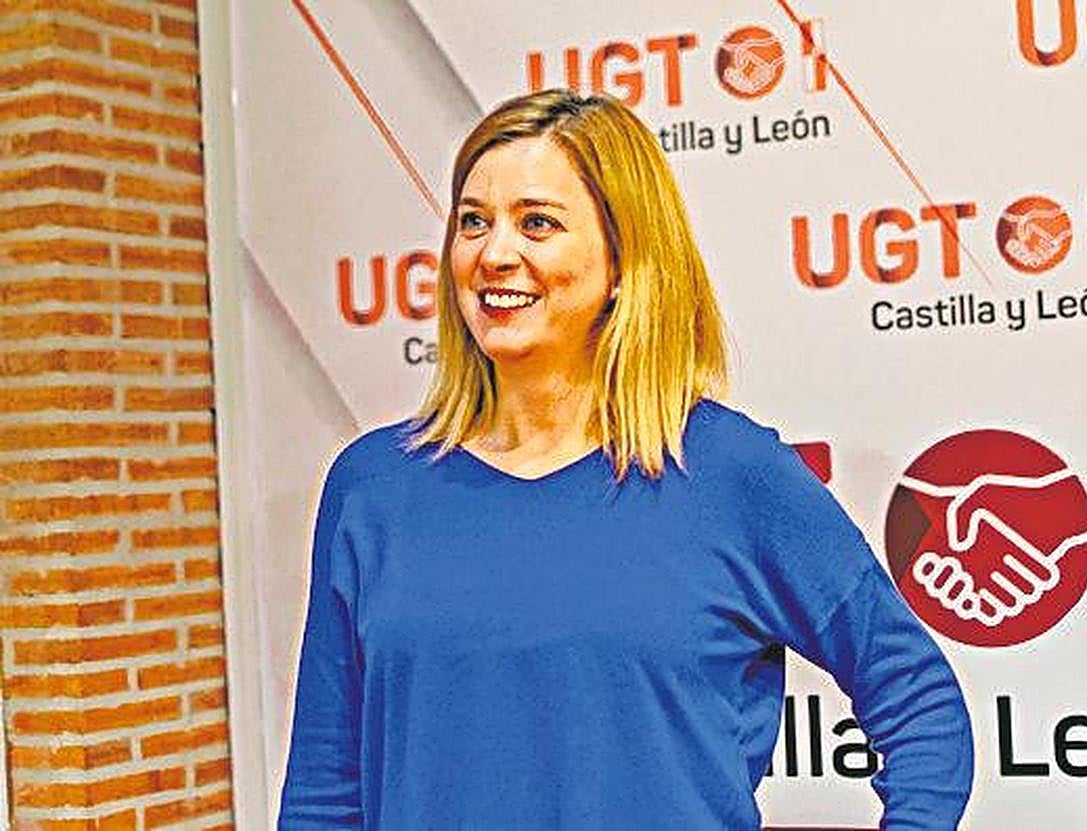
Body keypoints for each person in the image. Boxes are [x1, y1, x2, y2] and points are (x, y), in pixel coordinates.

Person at [278, 89, 973, 830]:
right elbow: (325, 790)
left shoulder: (728, 474)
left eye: (537, 223)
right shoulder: (372, 487)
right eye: (473, 221)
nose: (494, 254)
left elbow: (918, 700)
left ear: (622, 259)